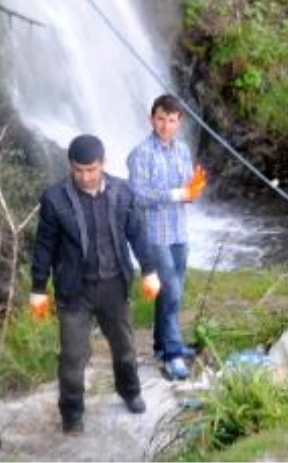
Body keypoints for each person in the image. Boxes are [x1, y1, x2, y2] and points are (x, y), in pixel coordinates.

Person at [29, 134, 161, 433]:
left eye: (91, 169)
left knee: (125, 348)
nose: (85, 176)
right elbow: (44, 247)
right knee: (73, 357)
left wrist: (150, 270)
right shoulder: (54, 199)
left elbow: (138, 234)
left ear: (103, 164)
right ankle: (72, 413)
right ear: (70, 167)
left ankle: (130, 391)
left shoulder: (123, 192)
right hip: (75, 290)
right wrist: (38, 289)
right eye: (78, 170)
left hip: (115, 285)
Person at [128, 94, 206, 381]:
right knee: (171, 289)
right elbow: (138, 196)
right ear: (152, 119)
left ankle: (162, 345)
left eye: (171, 120)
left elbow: (186, 191)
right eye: (160, 119)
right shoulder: (141, 154)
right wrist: (178, 194)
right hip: (153, 233)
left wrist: (193, 190)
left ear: (179, 122)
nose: (165, 126)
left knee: (172, 289)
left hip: (178, 230)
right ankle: (174, 354)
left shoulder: (182, 150)